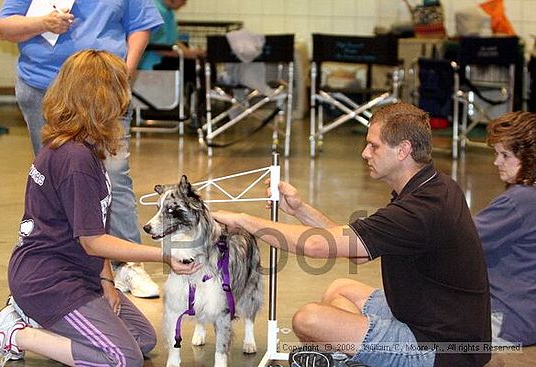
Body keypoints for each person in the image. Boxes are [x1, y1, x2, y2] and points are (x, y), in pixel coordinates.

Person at [213, 102, 491, 367]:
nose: (365, 153)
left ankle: (349, 358)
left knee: (309, 320)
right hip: (428, 319)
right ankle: (351, 357)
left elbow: (319, 247)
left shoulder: (421, 209)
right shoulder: (432, 186)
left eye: (374, 146)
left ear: (403, 150)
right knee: (340, 289)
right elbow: (356, 250)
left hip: (440, 349)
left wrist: (245, 220)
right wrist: (300, 209)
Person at [0, 50, 200, 367]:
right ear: (102, 99)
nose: (125, 100)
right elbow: (93, 241)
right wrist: (166, 254)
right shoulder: (75, 160)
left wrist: (106, 282)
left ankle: (36, 320)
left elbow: (93, 226)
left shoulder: (82, 146)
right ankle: (15, 332)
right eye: (120, 91)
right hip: (50, 281)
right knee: (122, 359)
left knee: (143, 339)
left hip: (78, 274)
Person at [0, 0, 163, 298]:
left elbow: (140, 26)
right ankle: (58, 260)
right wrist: (43, 24)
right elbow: (5, 26)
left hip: (103, 90)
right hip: (43, 87)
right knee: (51, 177)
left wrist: (122, 74)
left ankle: (127, 264)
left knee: (115, 175)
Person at [474, 111, 536, 347]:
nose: (496, 162)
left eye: (505, 155)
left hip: (503, 321)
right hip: (526, 319)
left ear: (530, 158)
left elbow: (462, 241)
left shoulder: (520, 200)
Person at [138, 0, 205, 71]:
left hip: (162, 63)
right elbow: (159, 48)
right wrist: (188, 54)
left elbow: (173, 41)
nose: (184, 4)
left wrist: (190, 53)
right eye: (184, 0)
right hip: (150, 66)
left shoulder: (168, 12)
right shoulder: (156, 11)